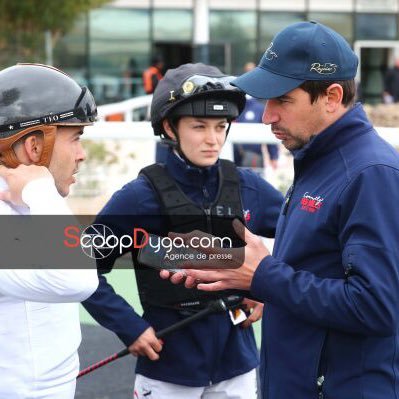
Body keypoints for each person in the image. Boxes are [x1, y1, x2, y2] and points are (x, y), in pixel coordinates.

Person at [165, 22, 399, 399]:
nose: (266, 115)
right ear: (168, 128)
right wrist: (257, 283)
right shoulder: (320, 160)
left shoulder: (372, 174)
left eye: (282, 100)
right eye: (198, 125)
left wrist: (265, 278)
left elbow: (376, 307)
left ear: (332, 96)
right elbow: (315, 271)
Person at [83, 63, 283, 399]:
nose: (212, 139)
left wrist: (267, 287)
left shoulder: (250, 187)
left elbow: (304, 240)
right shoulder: (139, 197)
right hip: (167, 365)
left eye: (221, 126)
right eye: (199, 126)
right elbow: (81, 263)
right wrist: (129, 327)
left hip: (238, 363)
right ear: (169, 127)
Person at [0, 63, 99, 399]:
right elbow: (78, 280)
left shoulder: (29, 202)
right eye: (76, 138)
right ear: (34, 148)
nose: (82, 155)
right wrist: (38, 188)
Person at [233, 62, 279, 173]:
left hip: (254, 158)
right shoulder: (236, 104)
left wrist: (273, 156)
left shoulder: (260, 106)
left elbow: (268, 130)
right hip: (234, 156)